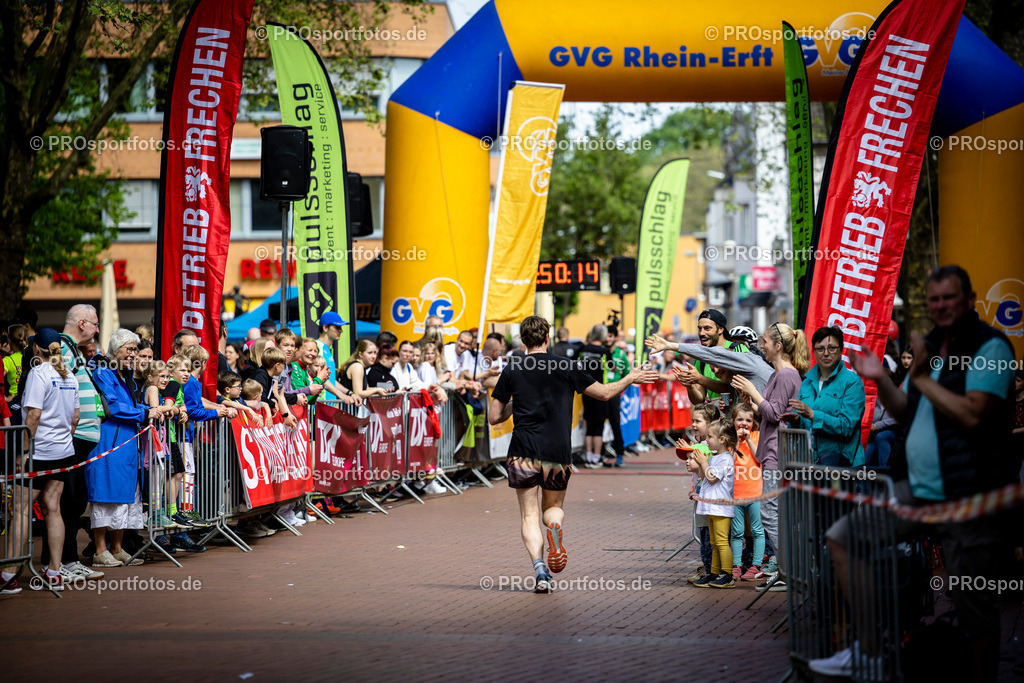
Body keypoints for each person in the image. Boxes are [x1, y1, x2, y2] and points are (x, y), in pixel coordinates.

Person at [811, 266, 1015, 679]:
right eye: (934, 298)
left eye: (949, 297)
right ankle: (867, 651)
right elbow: (904, 409)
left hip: (967, 494)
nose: (940, 306)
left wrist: (920, 376)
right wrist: (881, 378)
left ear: (969, 299)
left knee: (973, 608)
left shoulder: (990, 347)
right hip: (919, 489)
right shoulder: (936, 347)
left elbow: (975, 413)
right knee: (844, 538)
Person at [487, 315, 656, 593]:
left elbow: (494, 417)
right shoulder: (566, 365)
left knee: (529, 517)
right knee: (552, 510)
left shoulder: (513, 369)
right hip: (557, 450)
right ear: (546, 338)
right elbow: (602, 394)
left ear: (523, 340)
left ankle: (541, 572)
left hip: (522, 450)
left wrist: (514, 404)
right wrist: (630, 377)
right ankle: (554, 527)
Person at [729, 322, 808, 591]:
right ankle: (785, 569)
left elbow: (774, 414)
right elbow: (768, 411)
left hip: (779, 452)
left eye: (764, 342)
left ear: (778, 346)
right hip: (773, 450)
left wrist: (753, 392)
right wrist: (751, 401)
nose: (760, 346)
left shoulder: (786, 375)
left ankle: (787, 570)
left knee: (770, 513)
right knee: (773, 513)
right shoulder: (778, 375)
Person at [0, 329, 79, 593]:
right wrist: (63, 440)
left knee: (21, 511)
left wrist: (24, 451)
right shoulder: (69, 375)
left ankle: (8, 575)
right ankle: (54, 571)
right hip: (63, 451)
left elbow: (33, 414)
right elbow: (75, 418)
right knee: (52, 507)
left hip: (39, 452)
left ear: (36, 349)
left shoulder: (38, 373)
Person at [86, 329, 174, 568]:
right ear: (116, 350)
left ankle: (117, 548)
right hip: (109, 441)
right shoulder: (103, 371)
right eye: (129, 349)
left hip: (126, 443)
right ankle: (100, 550)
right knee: (105, 496)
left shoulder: (124, 375)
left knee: (125, 497)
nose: (133, 354)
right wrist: (145, 412)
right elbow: (113, 406)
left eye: (135, 350)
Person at [785, 326, 866, 467]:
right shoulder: (807, 383)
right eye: (820, 349)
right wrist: (796, 421)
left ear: (841, 350)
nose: (826, 353)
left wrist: (813, 414)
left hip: (844, 467)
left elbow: (847, 427)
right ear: (814, 352)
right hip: (811, 464)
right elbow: (804, 427)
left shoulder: (852, 382)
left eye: (832, 348)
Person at [685, 419, 736, 589]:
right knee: (714, 542)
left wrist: (704, 463)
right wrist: (699, 463)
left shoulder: (725, 459)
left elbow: (713, 478)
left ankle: (727, 575)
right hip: (712, 506)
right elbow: (705, 476)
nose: (707, 441)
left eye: (710, 437)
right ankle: (714, 573)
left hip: (721, 507)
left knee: (721, 542)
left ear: (722, 440)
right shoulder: (715, 457)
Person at [678, 402, 720, 585]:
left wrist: (692, 450)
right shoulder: (701, 444)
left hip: (708, 496)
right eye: (692, 421)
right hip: (699, 493)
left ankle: (711, 570)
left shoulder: (709, 447)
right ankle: (708, 568)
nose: (694, 424)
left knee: (707, 536)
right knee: (703, 534)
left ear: (711, 423)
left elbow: (708, 470)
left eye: (698, 421)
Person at [676, 310, 749, 405]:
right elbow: (699, 400)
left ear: (720, 329)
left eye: (707, 328)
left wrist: (700, 379)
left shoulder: (738, 349)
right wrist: (690, 386)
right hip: (717, 418)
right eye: (699, 329)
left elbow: (734, 388)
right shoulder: (700, 359)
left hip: (741, 417)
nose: (701, 333)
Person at [729, 404, 763, 581]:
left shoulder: (757, 436)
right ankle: (736, 565)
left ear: (754, 423)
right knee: (737, 532)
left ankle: (756, 565)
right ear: (733, 421)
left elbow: (759, 458)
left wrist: (749, 440)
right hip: (736, 493)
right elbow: (729, 462)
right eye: (740, 419)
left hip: (755, 492)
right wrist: (735, 441)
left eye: (748, 420)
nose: (744, 424)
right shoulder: (729, 440)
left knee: (757, 530)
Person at [578, 324, 611, 469]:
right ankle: (596, 458)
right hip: (599, 389)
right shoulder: (604, 351)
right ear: (603, 335)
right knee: (598, 425)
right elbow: (612, 367)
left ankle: (589, 456)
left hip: (586, 390)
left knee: (589, 425)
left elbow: (571, 362)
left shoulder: (583, 349)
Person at [604, 326, 630, 467]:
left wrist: (621, 389)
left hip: (614, 393)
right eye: (606, 336)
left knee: (615, 423)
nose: (608, 339)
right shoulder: (601, 350)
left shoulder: (620, 354)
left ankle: (620, 454)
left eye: (610, 336)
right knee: (598, 424)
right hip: (599, 391)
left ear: (614, 337)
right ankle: (599, 454)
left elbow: (627, 373)